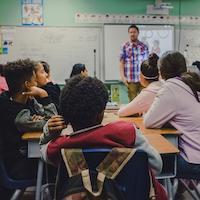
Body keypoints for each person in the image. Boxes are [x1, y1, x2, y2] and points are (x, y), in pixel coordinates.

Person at [144, 51, 200, 180]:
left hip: (193, 162)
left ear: (161, 71)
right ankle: (179, 191)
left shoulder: (171, 87)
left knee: (152, 160)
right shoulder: (192, 82)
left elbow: (149, 122)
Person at [0, 59, 57, 183]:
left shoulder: (24, 99)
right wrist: (44, 94)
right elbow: (54, 123)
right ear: (27, 85)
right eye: (35, 80)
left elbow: (46, 118)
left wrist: (41, 119)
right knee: (59, 163)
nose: (37, 83)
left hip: (23, 157)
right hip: (18, 165)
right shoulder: (18, 114)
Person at [119, 24, 149, 101]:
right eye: (131, 32)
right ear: (128, 33)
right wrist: (123, 77)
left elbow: (147, 63)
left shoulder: (144, 46)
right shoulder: (124, 46)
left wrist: (147, 76)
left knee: (144, 101)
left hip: (143, 79)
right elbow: (121, 62)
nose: (132, 34)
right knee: (132, 102)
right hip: (130, 79)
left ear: (138, 33)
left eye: (134, 32)